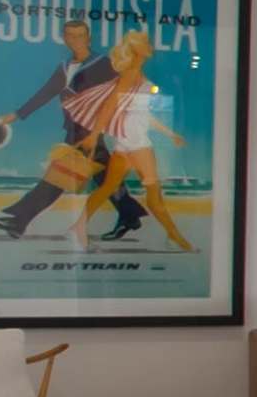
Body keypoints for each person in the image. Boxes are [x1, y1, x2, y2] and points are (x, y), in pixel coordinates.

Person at [0, 12, 147, 242]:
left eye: (80, 36)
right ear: (64, 38)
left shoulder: (104, 64)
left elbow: (119, 95)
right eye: (70, 36)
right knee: (104, 178)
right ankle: (130, 213)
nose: (75, 40)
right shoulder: (65, 66)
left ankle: (17, 219)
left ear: (88, 38)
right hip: (74, 128)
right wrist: (15, 115)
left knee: (57, 177)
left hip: (89, 131)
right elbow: (45, 93)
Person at [67, 30, 193, 254]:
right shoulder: (131, 73)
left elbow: (141, 114)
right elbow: (110, 105)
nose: (150, 45)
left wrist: (169, 133)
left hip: (127, 142)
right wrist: (95, 134)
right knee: (154, 194)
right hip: (137, 143)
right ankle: (175, 238)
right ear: (136, 48)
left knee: (107, 188)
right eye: (146, 42)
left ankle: (78, 227)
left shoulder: (136, 73)